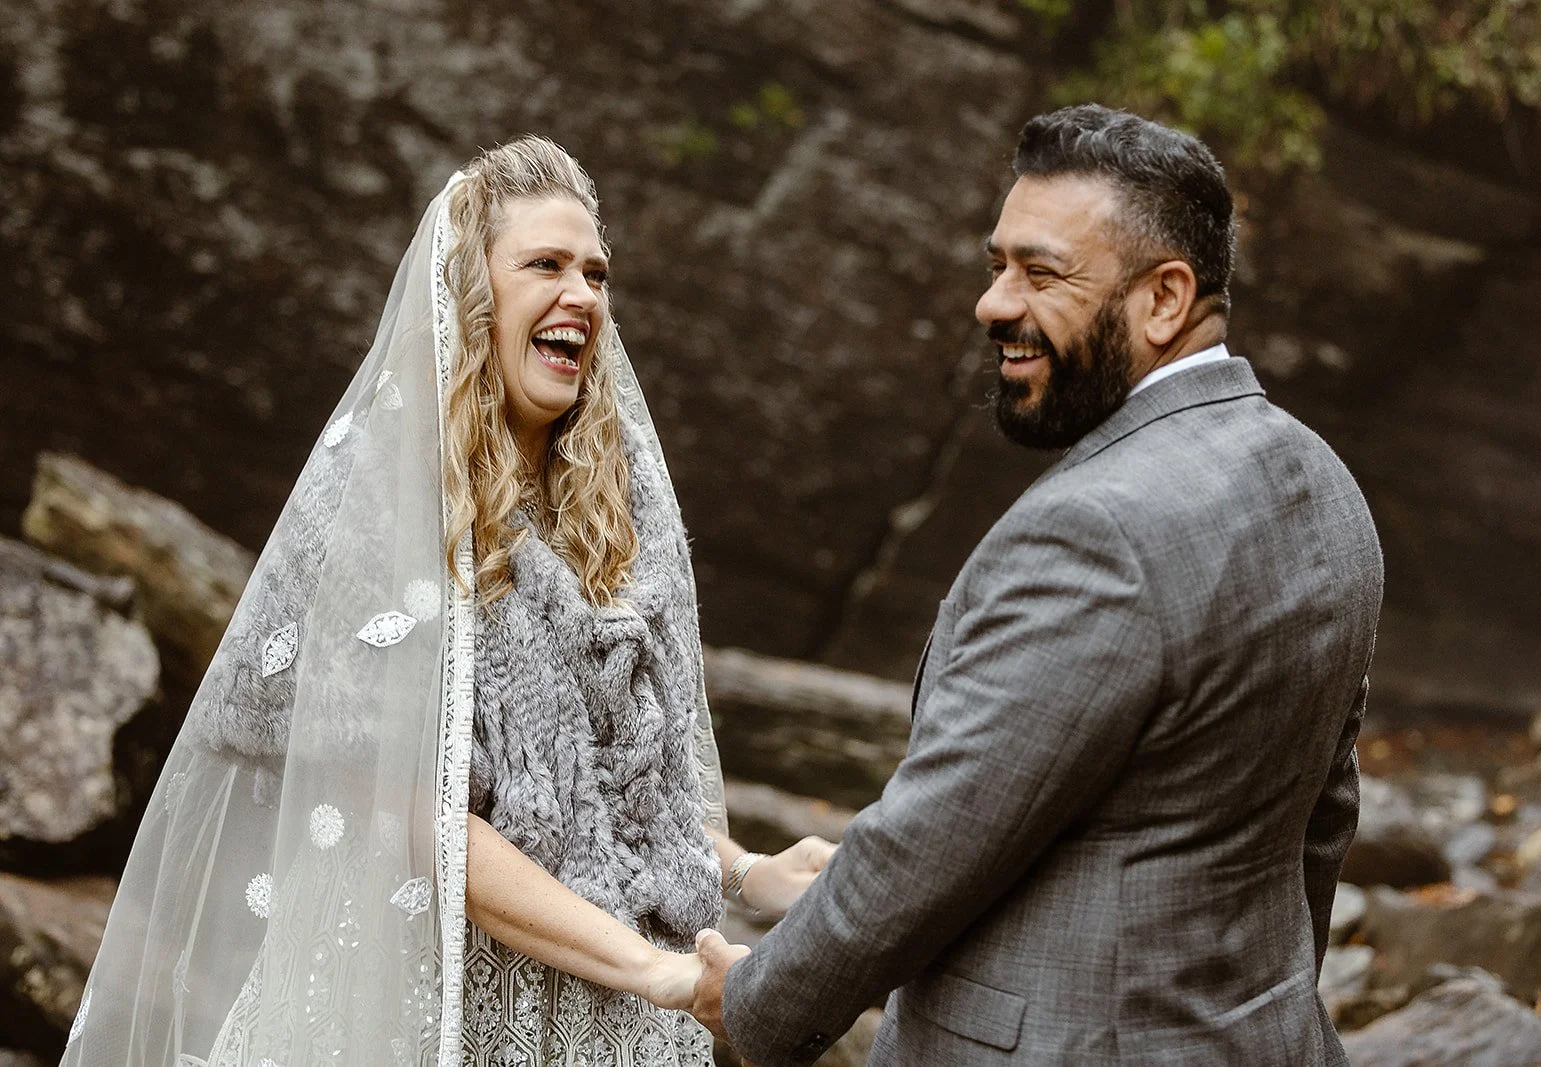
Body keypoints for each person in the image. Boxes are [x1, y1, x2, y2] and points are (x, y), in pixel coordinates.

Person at [61, 135, 831, 1067]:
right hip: (431, 1013)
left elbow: (594, 791)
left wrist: (749, 871)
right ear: (473, 295)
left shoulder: (616, 515)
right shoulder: (377, 506)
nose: (582, 294)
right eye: (545, 265)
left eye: (595, 272)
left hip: (607, 1021)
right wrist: (655, 971)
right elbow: (417, 811)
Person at [691, 104, 1383, 1066]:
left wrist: (756, 1001)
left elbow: (934, 841)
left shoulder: (1095, 529)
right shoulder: (1322, 485)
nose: (993, 304)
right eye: (997, 264)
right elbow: (1320, 819)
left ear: (1164, 299)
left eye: (1042, 272)